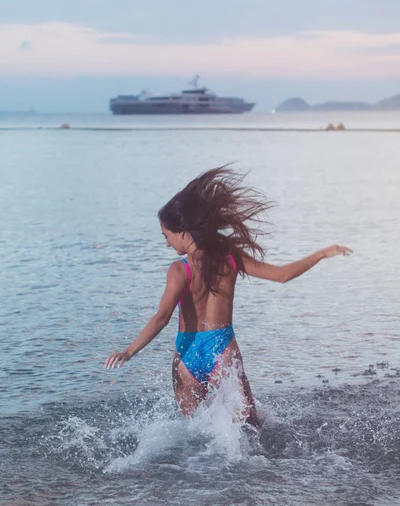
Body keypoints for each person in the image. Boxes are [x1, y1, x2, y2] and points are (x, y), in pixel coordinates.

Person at [105, 166, 352, 427]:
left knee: (196, 436)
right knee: (249, 430)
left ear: (182, 231)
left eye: (166, 236)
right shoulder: (230, 257)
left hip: (186, 356)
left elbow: (161, 317)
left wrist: (129, 351)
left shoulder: (180, 270)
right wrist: (321, 254)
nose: (167, 243)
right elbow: (281, 275)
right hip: (222, 349)